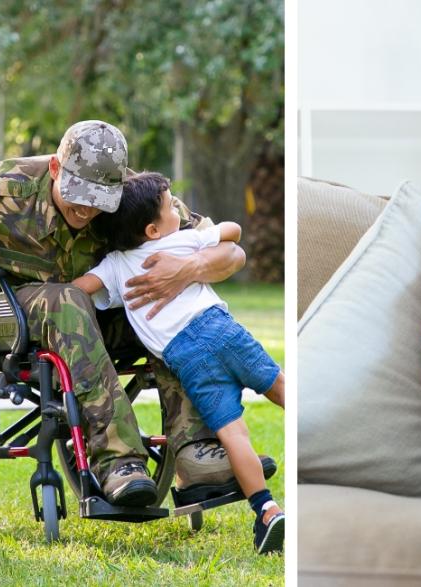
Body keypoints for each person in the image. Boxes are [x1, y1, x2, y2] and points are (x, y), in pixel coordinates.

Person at [0, 120, 244, 508]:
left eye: (100, 199)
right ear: (54, 168)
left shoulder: (138, 198)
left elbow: (232, 251)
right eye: (77, 192)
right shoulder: (1, 191)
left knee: (170, 309)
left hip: (93, 316)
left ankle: (196, 451)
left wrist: (188, 268)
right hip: (4, 315)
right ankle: (119, 462)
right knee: (67, 301)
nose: (86, 207)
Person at [72, 171, 286, 553]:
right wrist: (204, 242)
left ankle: (267, 510)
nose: (178, 210)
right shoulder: (183, 240)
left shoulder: (117, 266)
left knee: (233, 435)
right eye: (172, 205)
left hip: (187, 360)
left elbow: (78, 291)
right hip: (222, 332)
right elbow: (233, 232)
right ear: (153, 230)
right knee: (281, 387)